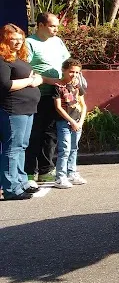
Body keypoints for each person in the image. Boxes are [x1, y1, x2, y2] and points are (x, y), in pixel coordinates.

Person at [25, 13, 71, 184]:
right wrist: (46, 79)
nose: (56, 30)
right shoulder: (30, 43)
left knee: (50, 135)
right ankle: (29, 172)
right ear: (41, 25)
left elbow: (67, 62)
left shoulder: (57, 42)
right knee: (34, 134)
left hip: (56, 95)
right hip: (37, 94)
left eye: (57, 26)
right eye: (52, 26)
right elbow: (25, 68)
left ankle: (45, 171)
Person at [0, 24, 44, 200]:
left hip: (27, 108)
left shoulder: (19, 59)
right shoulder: (3, 60)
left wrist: (36, 79)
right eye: (13, 39)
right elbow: (6, 85)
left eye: (20, 39)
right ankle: (11, 188)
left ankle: (21, 181)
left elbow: (34, 77)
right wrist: (29, 81)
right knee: (12, 148)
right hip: (13, 109)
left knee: (22, 146)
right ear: (4, 40)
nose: (18, 42)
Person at [52, 58, 87, 189]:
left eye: (77, 72)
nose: (74, 75)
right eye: (71, 72)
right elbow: (58, 107)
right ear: (64, 70)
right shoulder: (58, 87)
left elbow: (83, 105)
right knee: (64, 149)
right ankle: (60, 177)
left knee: (74, 148)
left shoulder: (77, 86)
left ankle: (72, 173)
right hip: (64, 123)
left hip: (77, 123)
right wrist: (71, 121)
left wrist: (81, 122)